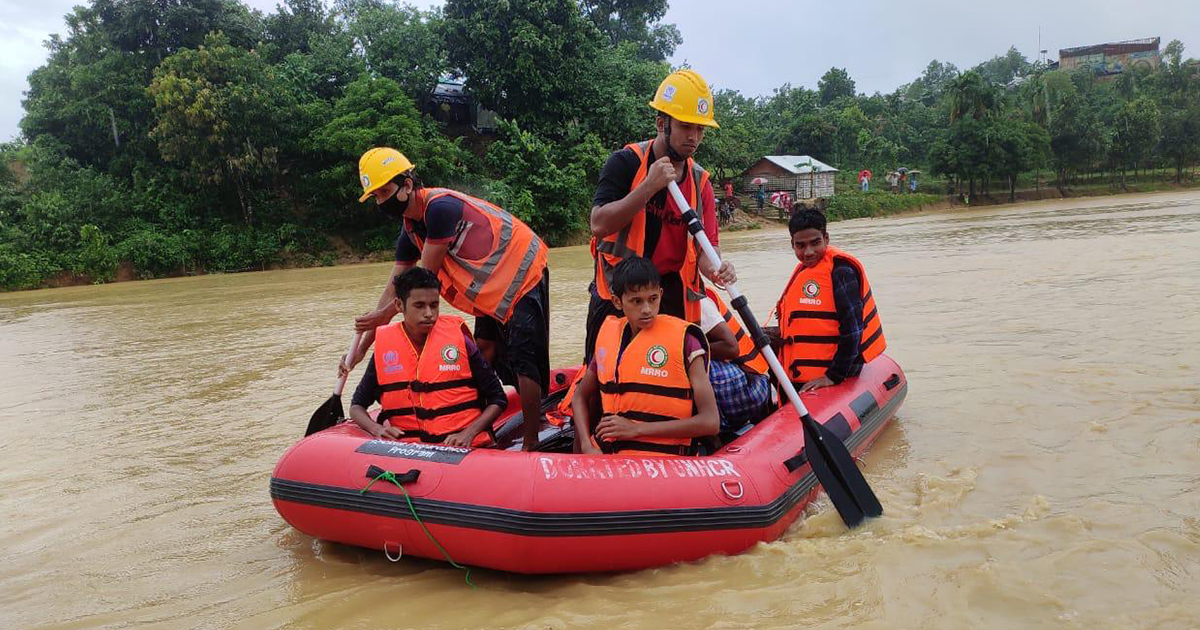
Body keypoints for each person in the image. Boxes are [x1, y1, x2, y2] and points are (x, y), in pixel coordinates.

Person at [346, 148, 549, 451]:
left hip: (522, 272)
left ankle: (532, 443)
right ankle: (478, 428)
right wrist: (362, 348)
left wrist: (385, 315)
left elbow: (423, 280)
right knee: (485, 349)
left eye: (384, 192)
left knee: (523, 358)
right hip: (491, 289)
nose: (381, 202)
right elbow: (393, 290)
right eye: (375, 197)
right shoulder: (410, 231)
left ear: (407, 185)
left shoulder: (439, 209)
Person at [585, 69, 736, 364]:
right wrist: (648, 187)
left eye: (700, 130)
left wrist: (718, 269)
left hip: (666, 292)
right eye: (685, 126)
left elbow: (707, 250)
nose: (693, 137)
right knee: (603, 371)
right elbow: (598, 224)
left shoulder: (700, 183)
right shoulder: (625, 162)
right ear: (661, 124)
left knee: (668, 369)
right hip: (619, 291)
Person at [569, 257, 719, 456]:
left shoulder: (686, 342)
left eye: (653, 299)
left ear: (661, 295)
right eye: (636, 301)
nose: (647, 309)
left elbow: (710, 421)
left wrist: (636, 429)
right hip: (610, 458)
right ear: (617, 301)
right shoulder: (608, 338)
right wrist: (586, 446)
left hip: (666, 461)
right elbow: (579, 396)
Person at [348, 268, 508, 447]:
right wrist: (376, 429)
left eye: (434, 305)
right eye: (419, 306)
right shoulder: (386, 349)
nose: (429, 313)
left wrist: (468, 433)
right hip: (410, 450)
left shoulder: (461, 342)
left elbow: (498, 398)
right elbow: (357, 406)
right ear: (399, 305)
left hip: (464, 448)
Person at [776, 209, 887, 393]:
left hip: (836, 370)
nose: (808, 252)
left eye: (815, 243)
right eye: (800, 245)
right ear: (792, 244)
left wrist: (833, 376)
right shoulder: (805, 271)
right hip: (805, 369)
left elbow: (853, 330)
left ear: (826, 239)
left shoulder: (841, 272)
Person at [699, 288, 772, 432]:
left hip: (750, 382)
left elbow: (731, 348)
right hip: (734, 376)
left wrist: (687, 351)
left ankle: (716, 432)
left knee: (689, 363)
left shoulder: (698, 302)